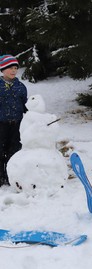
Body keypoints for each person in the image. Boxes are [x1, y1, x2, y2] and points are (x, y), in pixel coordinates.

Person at [0, 54, 27, 186]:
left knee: (14, 150)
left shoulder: (20, 87)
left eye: (15, 68)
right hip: (1, 125)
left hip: (17, 125)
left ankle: (12, 176)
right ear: (2, 69)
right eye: (10, 68)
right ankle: (0, 176)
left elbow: (26, 105)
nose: (13, 71)